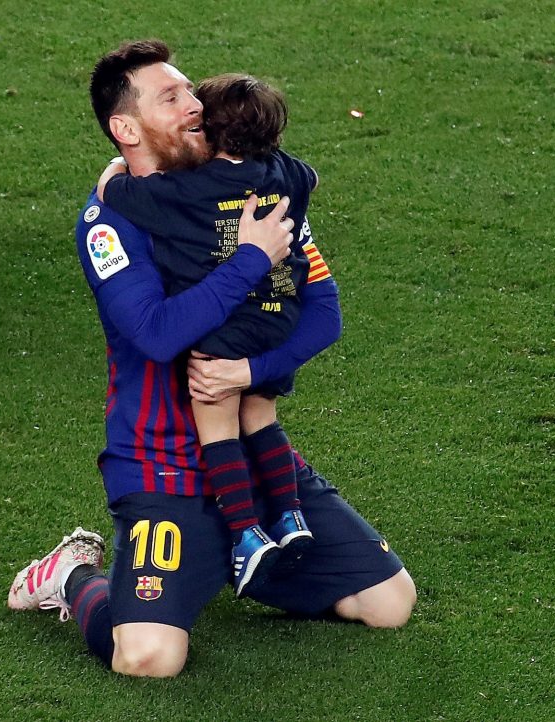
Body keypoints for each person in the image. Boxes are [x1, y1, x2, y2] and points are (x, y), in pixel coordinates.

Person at [7, 39, 416, 678]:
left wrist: (249, 372)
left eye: (191, 91)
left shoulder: (258, 188)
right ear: (126, 129)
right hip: (163, 470)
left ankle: (238, 553)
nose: (194, 105)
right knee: (148, 658)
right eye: (171, 98)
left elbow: (324, 310)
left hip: (250, 458)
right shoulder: (110, 223)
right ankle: (74, 577)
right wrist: (251, 258)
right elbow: (155, 335)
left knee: (390, 603)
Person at [95, 72, 321, 598]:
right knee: (259, 415)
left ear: (213, 131)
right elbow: (310, 178)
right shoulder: (285, 172)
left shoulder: (189, 191)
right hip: (279, 315)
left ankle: (246, 533)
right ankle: (290, 516)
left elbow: (119, 193)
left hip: (230, 328)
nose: (190, 108)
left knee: (218, 424)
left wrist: (112, 168)